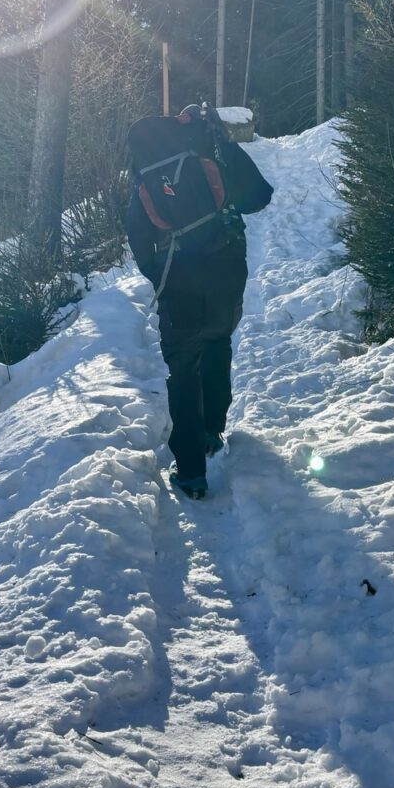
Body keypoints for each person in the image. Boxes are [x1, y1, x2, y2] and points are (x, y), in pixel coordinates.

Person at [125, 102, 273, 499]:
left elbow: (137, 232)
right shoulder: (208, 150)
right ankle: (211, 430)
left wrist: (159, 273)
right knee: (217, 341)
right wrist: (224, 146)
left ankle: (190, 471)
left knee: (183, 366)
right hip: (226, 266)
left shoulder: (148, 165)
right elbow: (260, 196)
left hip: (178, 276)